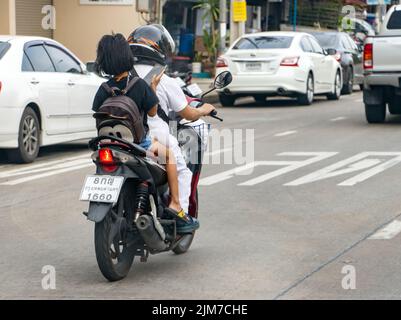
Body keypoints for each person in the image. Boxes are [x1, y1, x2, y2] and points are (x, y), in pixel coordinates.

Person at [92, 33, 189, 224]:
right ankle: (176, 204)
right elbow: (152, 113)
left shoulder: (103, 88)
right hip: (139, 144)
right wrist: (152, 88)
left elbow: (97, 112)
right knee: (169, 156)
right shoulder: (139, 86)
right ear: (127, 57)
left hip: (108, 145)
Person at [128, 25, 215, 231]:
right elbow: (188, 114)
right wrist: (204, 110)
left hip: (124, 138)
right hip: (154, 137)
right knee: (183, 170)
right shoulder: (163, 80)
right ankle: (178, 210)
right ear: (160, 50)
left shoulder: (123, 76)